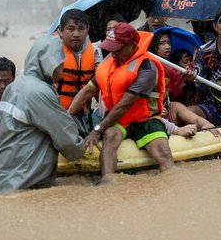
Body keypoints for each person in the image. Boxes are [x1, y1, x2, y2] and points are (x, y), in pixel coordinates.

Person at [68, 22, 174, 177]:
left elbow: (124, 104)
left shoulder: (147, 67)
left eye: (117, 49)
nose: (113, 54)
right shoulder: (108, 64)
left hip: (145, 119)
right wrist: (67, 114)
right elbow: (87, 91)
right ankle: (107, 183)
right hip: (119, 120)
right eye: (110, 49)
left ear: (132, 45)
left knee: (162, 150)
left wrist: (97, 130)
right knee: (110, 135)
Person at [0, 34, 85, 194]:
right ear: (49, 63)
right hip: (23, 183)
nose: (62, 69)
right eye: (60, 64)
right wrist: (84, 145)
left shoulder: (17, 85)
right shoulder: (37, 92)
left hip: (2, 178)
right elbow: (70, 145)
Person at [148, 31, 218, 138]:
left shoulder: (174, 107)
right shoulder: (149, 66)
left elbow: (195, 119)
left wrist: (205, 124)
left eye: (168, 43)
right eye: (162, 43)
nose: (167, 46)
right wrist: (152, 112)